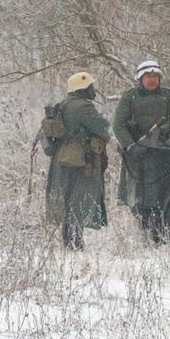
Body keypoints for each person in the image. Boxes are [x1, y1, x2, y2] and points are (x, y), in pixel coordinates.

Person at [113, 60, 170, 239]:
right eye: (148, 77)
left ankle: (162, 230)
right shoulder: (130, 97)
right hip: (137, 156)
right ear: (140, 78)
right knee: (140, 195)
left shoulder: (167, 96)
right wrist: (130, 145)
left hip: (164, 154)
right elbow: (118, 125)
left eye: (155, 76)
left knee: (164, 191)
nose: (152, 80)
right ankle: (146, 230)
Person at [41, 71, 112, 248]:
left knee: (68, 200)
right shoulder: (83, 106)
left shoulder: (65, 103)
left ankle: (69, 241)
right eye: (90, 86)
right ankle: (75, 242)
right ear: (83, 88)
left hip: (64, 157)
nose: (93, 90)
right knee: (79, 199)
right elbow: (103, 128)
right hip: (81, 159)